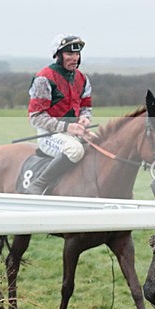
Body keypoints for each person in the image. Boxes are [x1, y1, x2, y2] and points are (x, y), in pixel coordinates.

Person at [25, 34, 92, 194]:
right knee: (75, 151)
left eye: (77, 54)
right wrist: (66, 127)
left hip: (74, 132)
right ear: (58, 55)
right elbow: (36, 117)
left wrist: (84, 118)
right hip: (49, 135)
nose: (74, 58)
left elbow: (85, 106)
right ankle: (38, 184)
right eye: (69, 54)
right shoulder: (44, 79)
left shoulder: (82, 79)